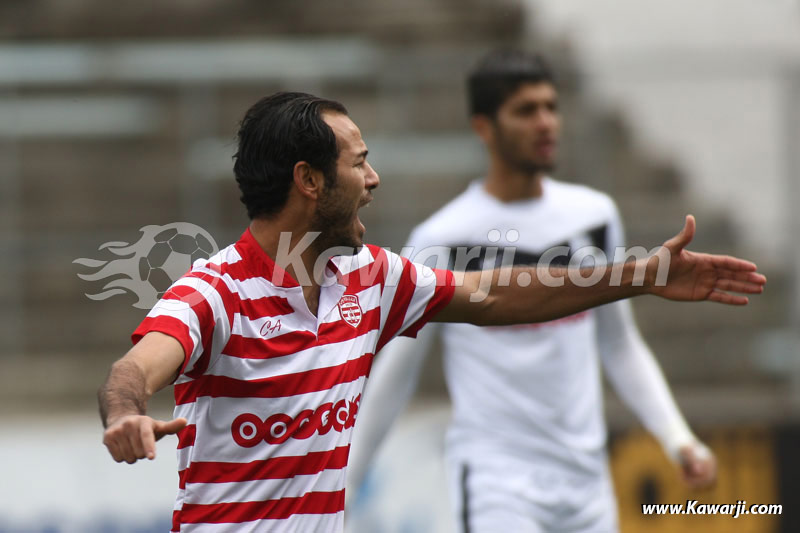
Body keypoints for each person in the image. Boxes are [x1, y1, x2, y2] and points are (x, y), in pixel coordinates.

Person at [98, 90, 764, 533]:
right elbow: (134, 367)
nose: (374, 179)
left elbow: (497, 292)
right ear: (310, 181)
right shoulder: (216, 292)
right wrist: (126, 413)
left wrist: (640, 274)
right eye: (360, 163)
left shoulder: (371, 278)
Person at [347, 49, 720, 532]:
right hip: (496, 483)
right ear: (484, 127)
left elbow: (619, 343)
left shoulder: (593, 215)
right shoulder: (442, 236)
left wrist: (677, 439)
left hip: (587, 483)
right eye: (526, 110)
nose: (545, 122)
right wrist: (347, 487)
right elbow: (397, 374)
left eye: (551, 107)